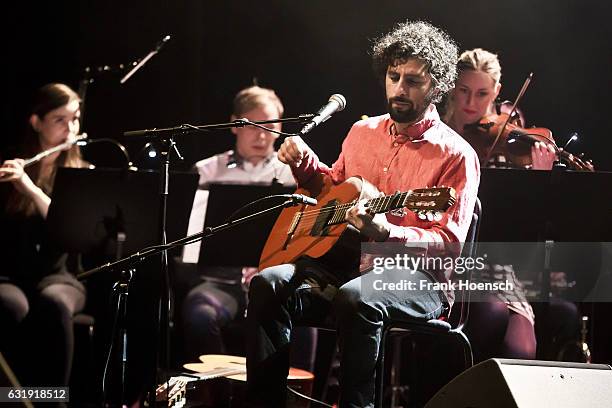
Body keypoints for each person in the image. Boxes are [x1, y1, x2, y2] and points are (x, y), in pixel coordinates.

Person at [245, 21, 480, 408]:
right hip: (345, 265)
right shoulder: (361, 132)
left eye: (413, 81)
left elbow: (449, 244)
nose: (399, 88)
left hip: (419, 281)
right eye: (393, 76)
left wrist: (388, 230)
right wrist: (305, 165)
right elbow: (331, 193)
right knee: (268, 283)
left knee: (357, 299)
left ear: (437, 85)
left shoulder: (457, 155)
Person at [443, 48, 579, 361]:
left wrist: (539, 182)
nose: (471, 104)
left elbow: (527, 230)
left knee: (523, 348)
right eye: (463, 91)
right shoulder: (440, 136)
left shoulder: (507, 144)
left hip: (500, 266)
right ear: (451, 87)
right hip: (451, 261)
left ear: (497, 93)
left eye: (482, 94)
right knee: (490, 316)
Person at [181, 86, 317, 368]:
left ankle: (296, 398)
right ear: (234, 125)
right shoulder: (207, 170)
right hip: (221, 283)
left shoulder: (294, 173)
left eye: (270, 126)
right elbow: (190, 242)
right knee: (199, 314)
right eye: (252, 125)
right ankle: (218, 395)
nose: (262, 135)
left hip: (275, 281)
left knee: (307, 315)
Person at [0, 83, 88, 388]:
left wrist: (30, 188)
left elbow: (69, 226)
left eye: (75, 119)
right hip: (10, 276)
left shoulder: (82, 173)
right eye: (59, 120)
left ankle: (54, 400)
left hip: (61, 276)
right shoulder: (10, 167)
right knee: (9, 306)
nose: (70, 128)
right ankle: (10, 397)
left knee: (54, 304)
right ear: (36, 122)